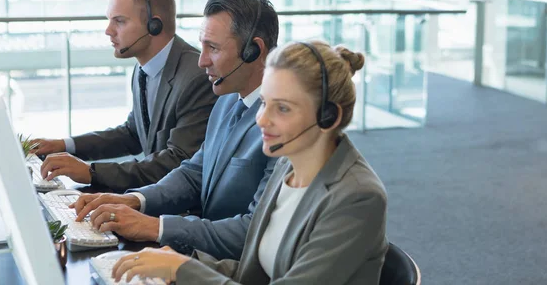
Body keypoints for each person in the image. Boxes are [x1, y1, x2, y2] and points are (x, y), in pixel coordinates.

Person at [108, 40, 389, 285]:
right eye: (265, 103)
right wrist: (176, 263)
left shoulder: (356, 196)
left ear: (328, 117)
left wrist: (185, 270)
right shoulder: (287, 167)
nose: (261, 119)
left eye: (282, 108)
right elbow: (255, 273)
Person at [70, 0, 280, 260]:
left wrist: (154, 227)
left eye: (213, 48)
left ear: (254, 51)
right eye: (202, 46)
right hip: (199, 257)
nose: (201, 60)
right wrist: (134, 200)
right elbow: (195, 172)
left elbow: (252, 230)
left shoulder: (280, 124)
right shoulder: (227, 100)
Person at [30, 0, 217, 192]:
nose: (108, 30)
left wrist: (91, 172)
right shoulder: (143, 69)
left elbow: (177, 162)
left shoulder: (196, 77)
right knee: (59, 200)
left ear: (154, 26)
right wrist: (64, 145)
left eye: (119, 21)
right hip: (151, 189)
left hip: (174, 204)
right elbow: (133, 134)